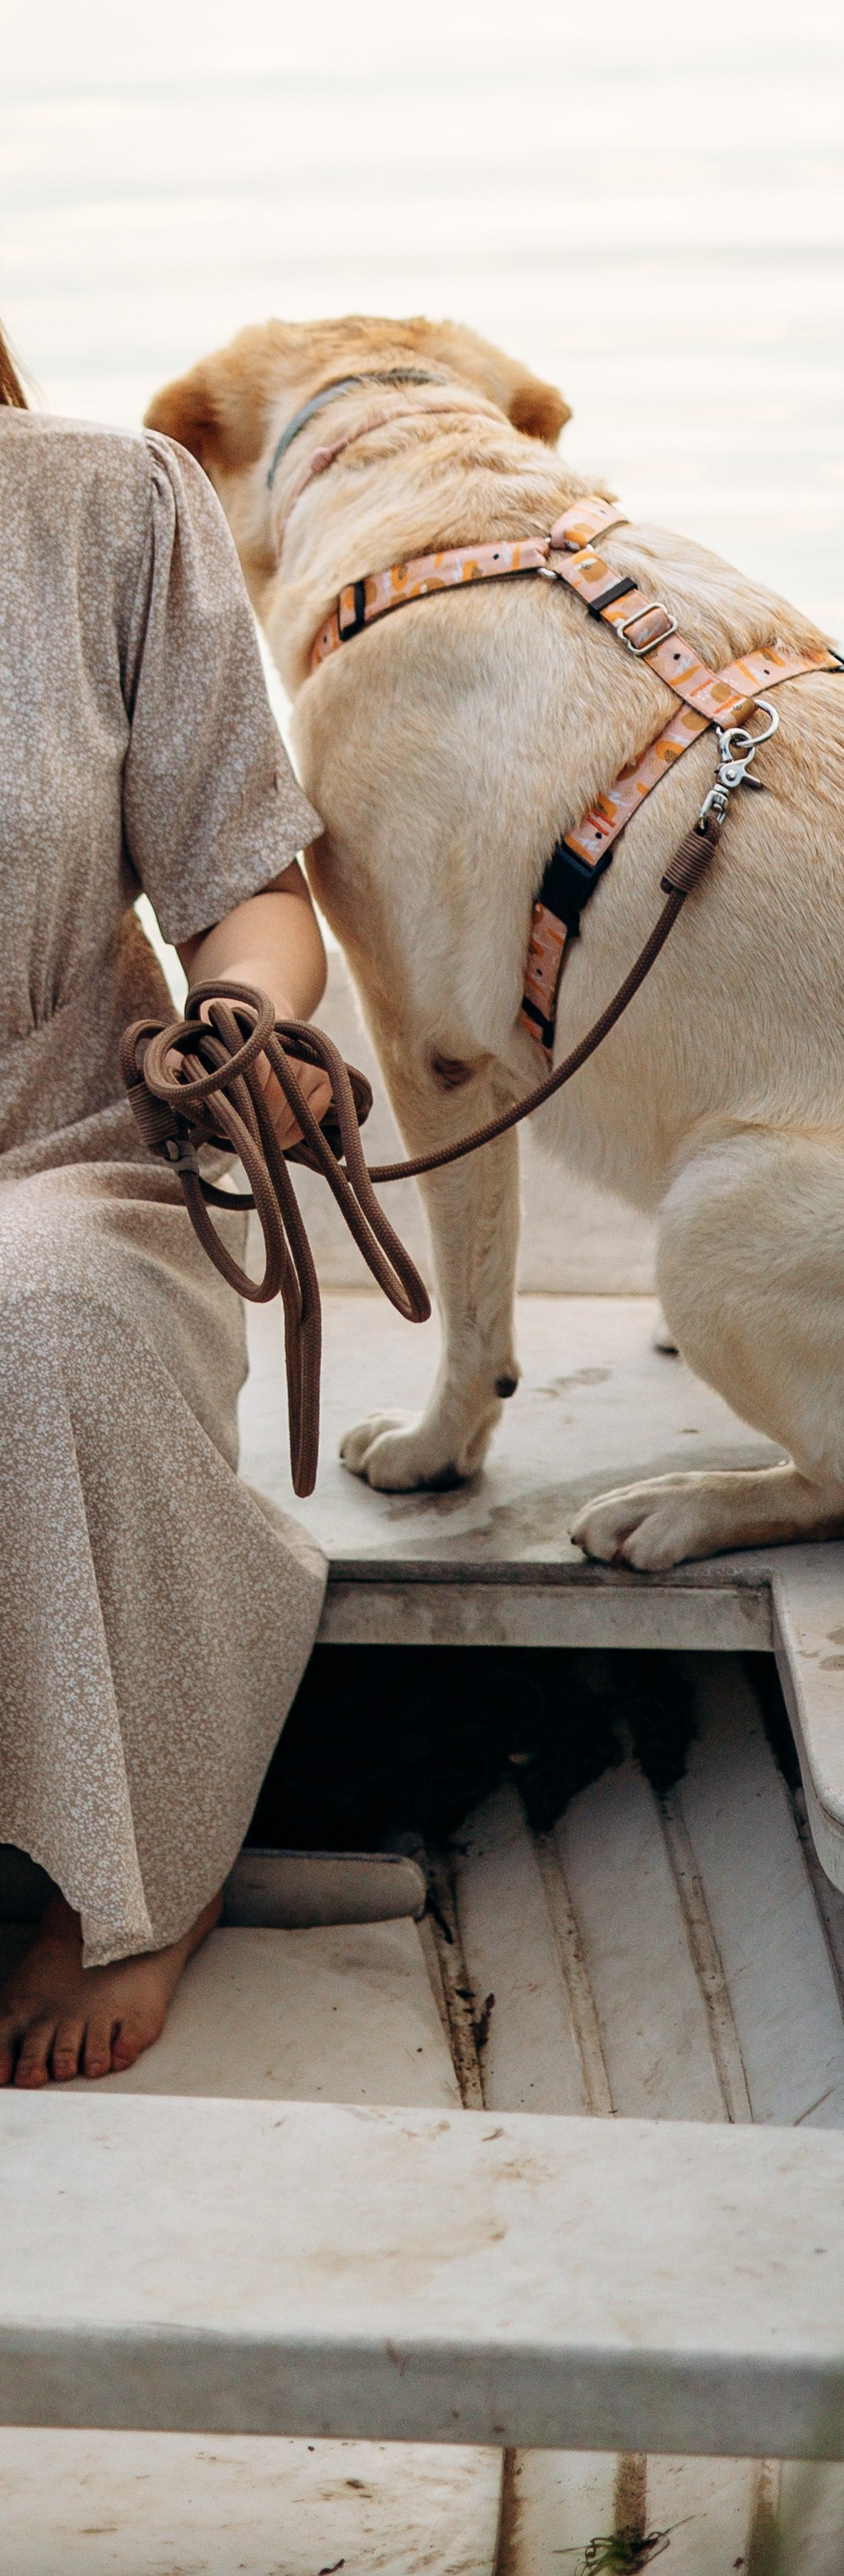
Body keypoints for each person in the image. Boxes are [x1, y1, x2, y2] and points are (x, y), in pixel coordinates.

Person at [0, 316, 334, 2086]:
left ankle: (136, 1869)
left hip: (67, 1149)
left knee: (32, 1324)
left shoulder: (107, 506)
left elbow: (253, 888)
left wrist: (244, 1016)